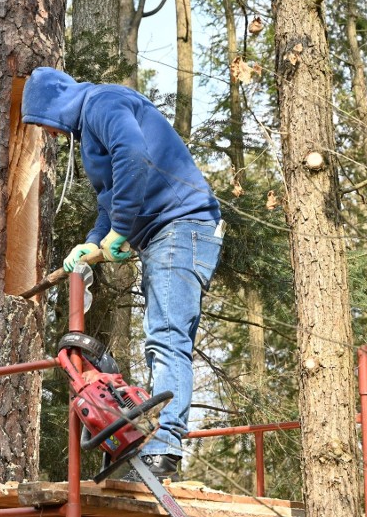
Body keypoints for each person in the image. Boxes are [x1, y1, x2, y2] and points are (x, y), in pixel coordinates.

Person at [21, 67, 224, 481]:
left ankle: (165, 450)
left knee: (168, 338)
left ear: (55, 103)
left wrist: (121, 229)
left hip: (183, 226)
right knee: (161, 341)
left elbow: (134, 156)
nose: (50, 134)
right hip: (166, 233)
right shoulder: (91, 128)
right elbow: (110, 197)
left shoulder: (103, 102)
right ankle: (154, 445)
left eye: (44, 122)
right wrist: (94, 240)